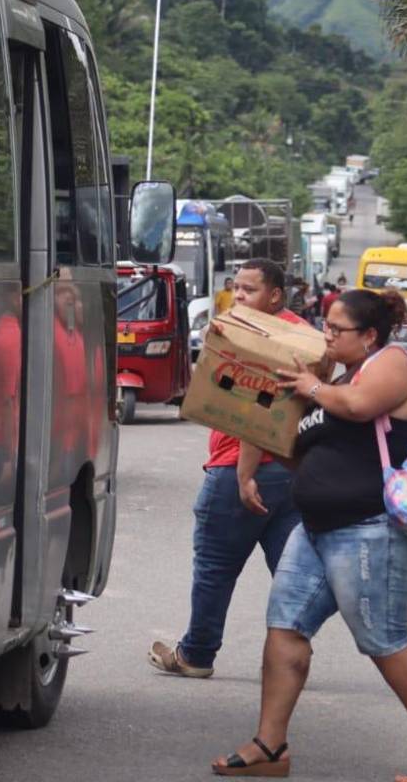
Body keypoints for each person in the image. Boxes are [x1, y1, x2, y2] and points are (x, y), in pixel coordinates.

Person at [211, 288, 407, 782]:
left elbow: (355, 407)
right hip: (314, 530)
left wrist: (311, 386)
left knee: (384, 640)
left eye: (336, 329)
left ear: (369, 334)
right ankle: (271, 745)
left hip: (372, 530)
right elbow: (302, 452)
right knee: (285, 627)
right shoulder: (335, 378)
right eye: (325, 326)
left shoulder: (390, 363)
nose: (325, 336)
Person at [148, 259, 306, 678]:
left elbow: (256, 410)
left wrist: (243, 473)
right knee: (290, 573)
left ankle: (196, 654)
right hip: (291, 475)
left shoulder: (263, 338)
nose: (238, 297)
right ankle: (292, 659)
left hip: (239, 468)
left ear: (274, 295)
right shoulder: (302, 335)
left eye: (249, 290)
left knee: (215, 567)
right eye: (235, 289)